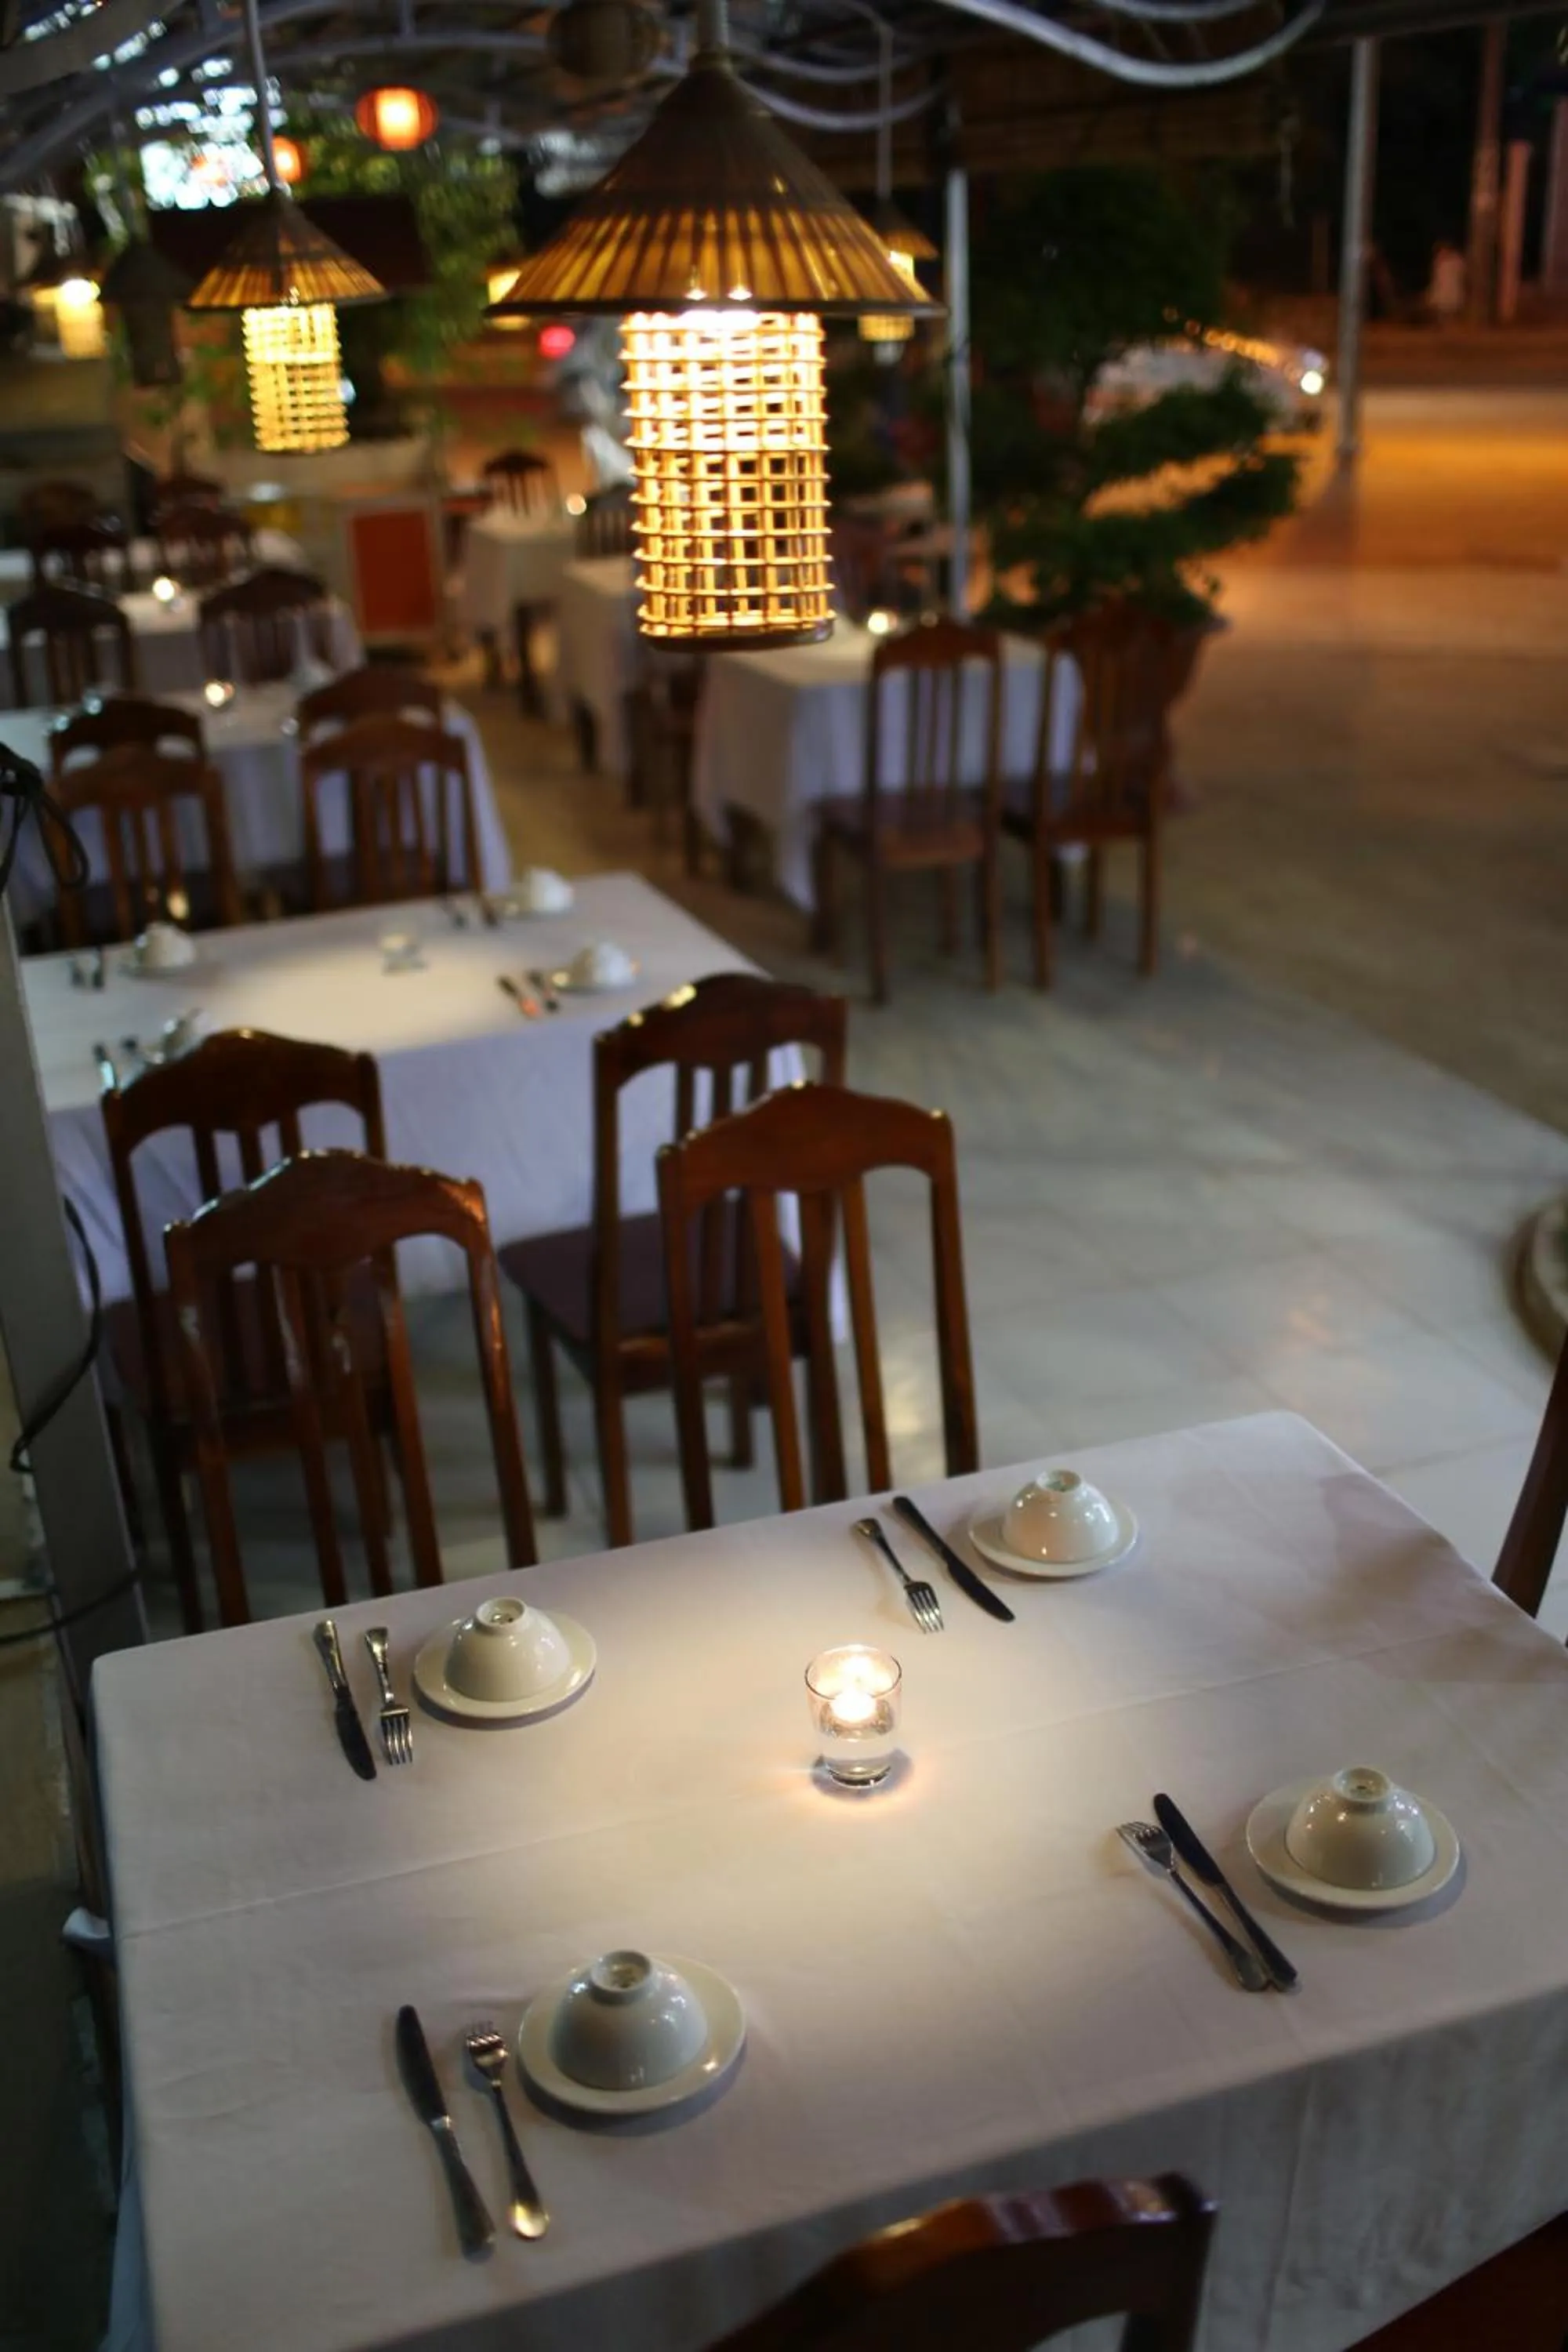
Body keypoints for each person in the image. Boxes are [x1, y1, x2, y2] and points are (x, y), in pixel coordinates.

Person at [1427, 241, 1467, 323]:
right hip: (1442, 288)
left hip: (1452, 287)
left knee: (1450, 307)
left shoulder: (1455, 260)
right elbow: (1437, 276)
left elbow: (1461, 271)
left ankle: (1451, 322)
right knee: (1441, 307)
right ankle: (1442, 322)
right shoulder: (1438, 261)